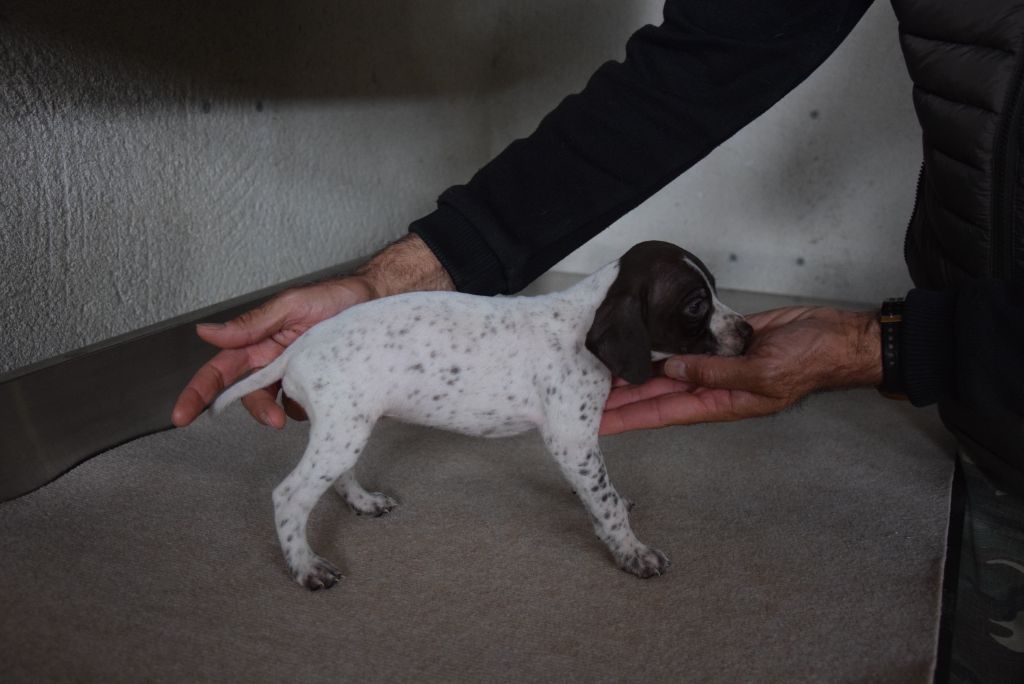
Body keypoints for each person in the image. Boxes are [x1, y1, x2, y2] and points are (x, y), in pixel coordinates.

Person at [171, 1, 1024, 680]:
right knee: (339, 444)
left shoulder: (600, 334)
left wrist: (897, 346)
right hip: (983, 382)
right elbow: (700, 65)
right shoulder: (586, 350)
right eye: (702, 309)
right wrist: (392, 277)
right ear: (625, 330)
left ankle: (348, 487)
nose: (726, 327)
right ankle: (307, 517)